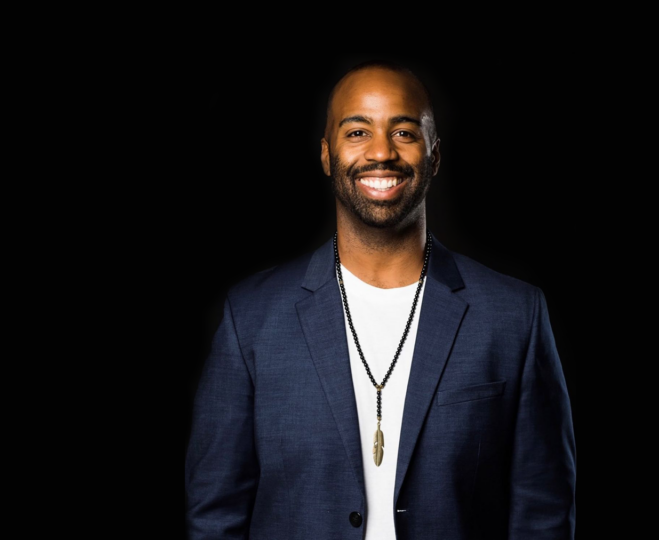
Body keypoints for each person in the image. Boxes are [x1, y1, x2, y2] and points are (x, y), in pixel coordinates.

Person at [185, 61, 576, 539]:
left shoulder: (514, 316)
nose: (381, 152)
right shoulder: (251, 318)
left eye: (404, 133)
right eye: (357, 132)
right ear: (327, 155)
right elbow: (215, 517)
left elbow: (543, 515)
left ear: (434, 154)